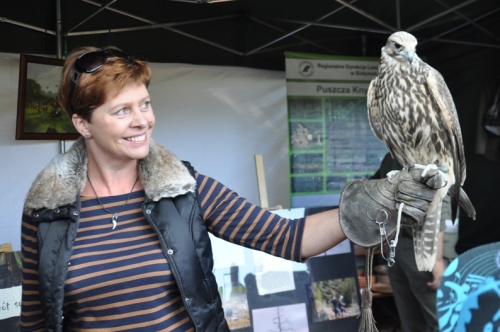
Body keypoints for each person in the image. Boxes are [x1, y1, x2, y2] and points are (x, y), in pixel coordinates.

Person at [19, 46, 445, 332]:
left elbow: (290, 238)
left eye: (145, 104)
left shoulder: (182, 189)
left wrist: (380, 199)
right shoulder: (46, 212)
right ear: (82, 124)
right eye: (122, 110)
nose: (142, 120)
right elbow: (36, 320)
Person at [371, 153, 452, 332]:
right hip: (408, 244)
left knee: (429, 322)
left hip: (411, 244)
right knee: (431, 322)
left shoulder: (403, 153)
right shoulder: (398, 154)